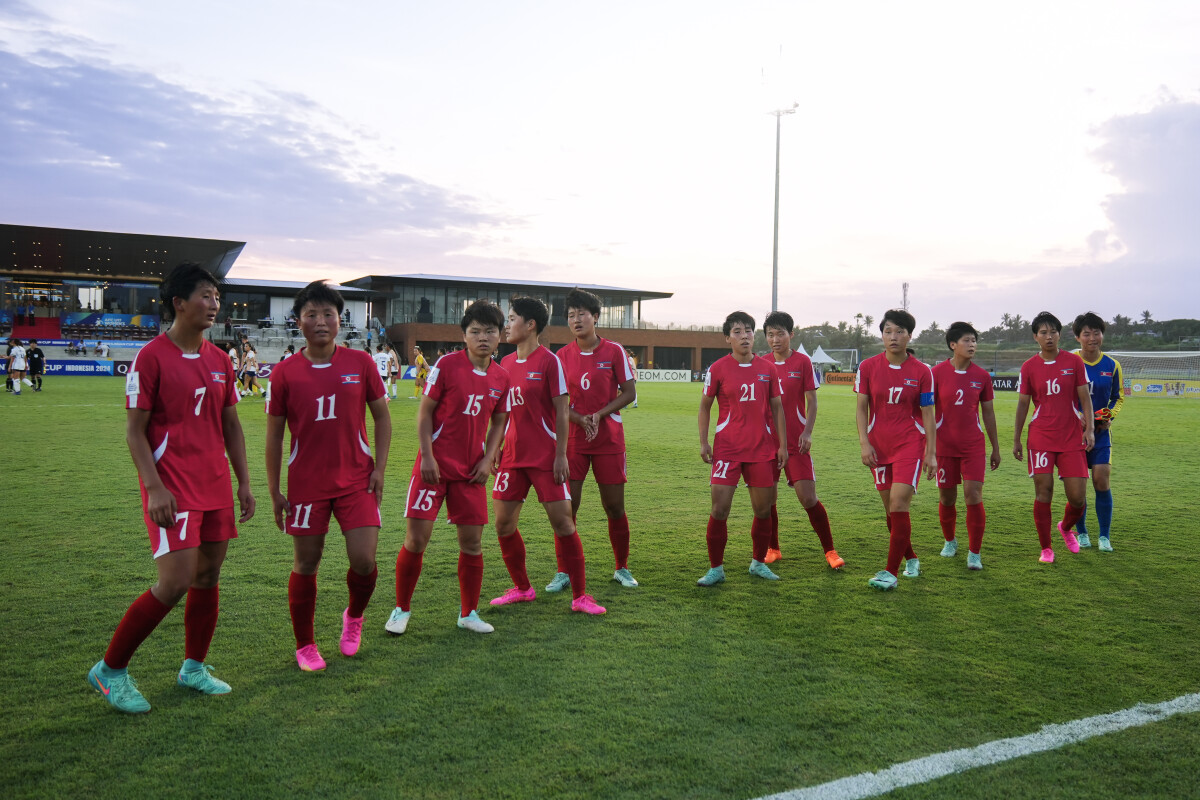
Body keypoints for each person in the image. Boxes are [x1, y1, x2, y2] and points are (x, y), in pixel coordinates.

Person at [87, 262, 255, 714]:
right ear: (179, 303)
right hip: (172, 487)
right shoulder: (151, 357)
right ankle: (110, 670)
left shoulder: (221, 359)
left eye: (217, 296)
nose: (214, 304)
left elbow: (231, 425)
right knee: (175, 580)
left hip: (215, 484)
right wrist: (154, 487)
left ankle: (193, 668)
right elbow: (134, 431)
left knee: (208, 576)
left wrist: (243, 482)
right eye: (205, 295)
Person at [266, 281, 391, 672]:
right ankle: (305, 645)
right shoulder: (284, 373)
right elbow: (273, 435)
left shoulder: (361, 363)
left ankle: (353, 617)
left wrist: (381, 470)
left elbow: (382, 418)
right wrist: (274, 490)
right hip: (306, 485)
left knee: (364, 561)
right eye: (311, 315)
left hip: (357, 480)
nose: (320, 322)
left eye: (328, 315)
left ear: (340, 320)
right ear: (298, 321)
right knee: (306, 564)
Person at [389, 300, 511, 635]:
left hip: (471, 472)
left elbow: (501, 418)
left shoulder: (502, 376)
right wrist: (427, 457)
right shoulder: (447, 365)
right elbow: (425, 412)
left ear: (500, 336)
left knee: (472, 544)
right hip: (434, 468)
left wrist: (489, 458)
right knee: (416, 540)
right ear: (464, 335)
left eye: (490, 331)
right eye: (476, 331)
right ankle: (401, 609)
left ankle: (468, 613)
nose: (483, 337)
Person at [488, 296, 606, 615]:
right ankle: (523, 589)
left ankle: (581, 596)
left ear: (530, 325)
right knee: (503, 525)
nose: (506, 325)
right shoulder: (505, 364)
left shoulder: (549, 362)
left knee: (563, 523)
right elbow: (501, 414)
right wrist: (496, 447)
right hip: (512, 458)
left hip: (545, 458)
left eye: (512, 318)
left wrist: (560, 456)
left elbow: (562, 411)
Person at [696, 311, 787, 586]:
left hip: (762, 450)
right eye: (737, 331)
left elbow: (777, 408)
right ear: (728, 338)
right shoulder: (718, 369)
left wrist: (782, 444)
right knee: (719, 509)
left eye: (748, 330)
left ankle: (758, 563)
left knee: (763, 510)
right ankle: (716, 569)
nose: (744, 335)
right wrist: (703, 441)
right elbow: (704, 406)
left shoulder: (768, 368)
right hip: (728, 450)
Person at [557, 288, 639, 588]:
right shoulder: (562, 356)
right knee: (568, 507)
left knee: (614, 506)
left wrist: (599, 415)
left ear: (595, 317)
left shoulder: (614, 351)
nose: (576, 320)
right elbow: (558, 400)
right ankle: (563, 571)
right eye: (571, 315)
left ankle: (622, 567)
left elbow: (629, 392)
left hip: (609, 440)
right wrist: (580, 419)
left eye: (582, 314)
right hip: (574, 441)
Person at [855, 309, 937, 591]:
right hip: (878, 446)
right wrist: (865, 443)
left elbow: (928, 413)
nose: (893, 337)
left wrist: (930, 452)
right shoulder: (867, 367)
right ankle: (911, 557)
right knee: (891, 512)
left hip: (910, 445)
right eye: (888, 331)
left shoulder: (922, 372)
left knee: (899, 504)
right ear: (882, 335)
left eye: (900, 331)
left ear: (909, 336)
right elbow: (861, 407)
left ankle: (890, 572)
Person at [761, 311, 843, 569]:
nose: (775, 340)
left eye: (780, 334)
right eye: (770, 335)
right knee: (767, 499)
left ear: (791, 335)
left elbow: (812, 401)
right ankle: (773, 548)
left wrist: (807, 432)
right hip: (768, 442)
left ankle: (830, 551)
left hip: (797, 441)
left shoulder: (803, 362)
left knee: (808, 498)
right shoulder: (761, 364)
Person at [1013, 312, 1095, 563]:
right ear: (1035, 337)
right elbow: (1023, 405)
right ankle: (1046, 548)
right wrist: (1016, 439)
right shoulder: (1028, 366)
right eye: (1043, 333)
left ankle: (1066, 527)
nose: (1049, 337)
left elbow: (1085, 399)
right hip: (1040, 438)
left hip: (1071, 436)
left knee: (1078, 497)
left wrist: (1089, 429)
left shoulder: (1074, 362)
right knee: (1043, 492)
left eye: (1053, 332)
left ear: (1060, 334)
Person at [931, 322, 1002, 570]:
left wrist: (995, 447)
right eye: (967, 340)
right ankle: (950, 541)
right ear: (953, 345)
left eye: (974, 340)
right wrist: (928, 448)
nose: (972, 345)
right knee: (947, 498)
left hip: (973, 446)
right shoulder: (936, 373)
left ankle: (975, 553)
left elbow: (989, 415)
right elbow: (926, 412)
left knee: (973, 496)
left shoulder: (982, 376)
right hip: (944, 446)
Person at [1071, 313, 1124, 552]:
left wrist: (1109, 415)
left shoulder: (1112, 365)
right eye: (1087, 334)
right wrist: (1077, 417)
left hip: (1101, 433)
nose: (1093, 338)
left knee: (1101, 480)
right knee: (1078, 488)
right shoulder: (1069, 361)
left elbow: (1118, 397)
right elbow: (1062, 395)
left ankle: (1104, 536)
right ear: (1077, 337)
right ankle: (1081, 533)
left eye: (1097, 333)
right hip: (1074, 434)